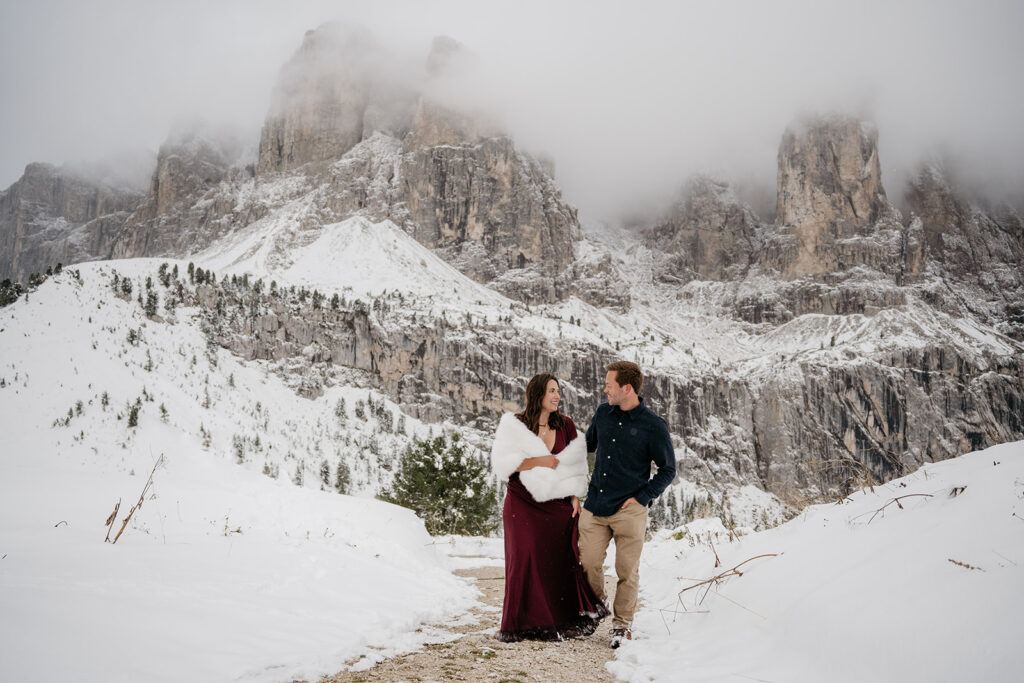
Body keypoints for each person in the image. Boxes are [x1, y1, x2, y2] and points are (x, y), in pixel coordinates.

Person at [490, 373, 609, 642]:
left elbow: (576, 464)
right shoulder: (516, 424)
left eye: (558, 391)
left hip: (556, 504)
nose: (558, 396)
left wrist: (575, 495)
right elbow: (502, 463)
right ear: (538, 395)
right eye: (552, 391)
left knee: (558, 560)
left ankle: (555, 620)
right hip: (522, 501)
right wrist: (539, 461)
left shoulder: (566, 425)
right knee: (524, 559)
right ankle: (519, 623)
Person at [579, 361, 676, 648]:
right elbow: (587, 446)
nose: (604, 389)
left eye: (609, 385)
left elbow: (668, 469)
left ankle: (622, 626)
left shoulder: (653, 426)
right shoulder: (602, 413)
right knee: (589, 563)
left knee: (626, 571)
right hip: (595, 504)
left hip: (629, 509)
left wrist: (642, 497)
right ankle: (596, 606)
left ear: (627, 388)